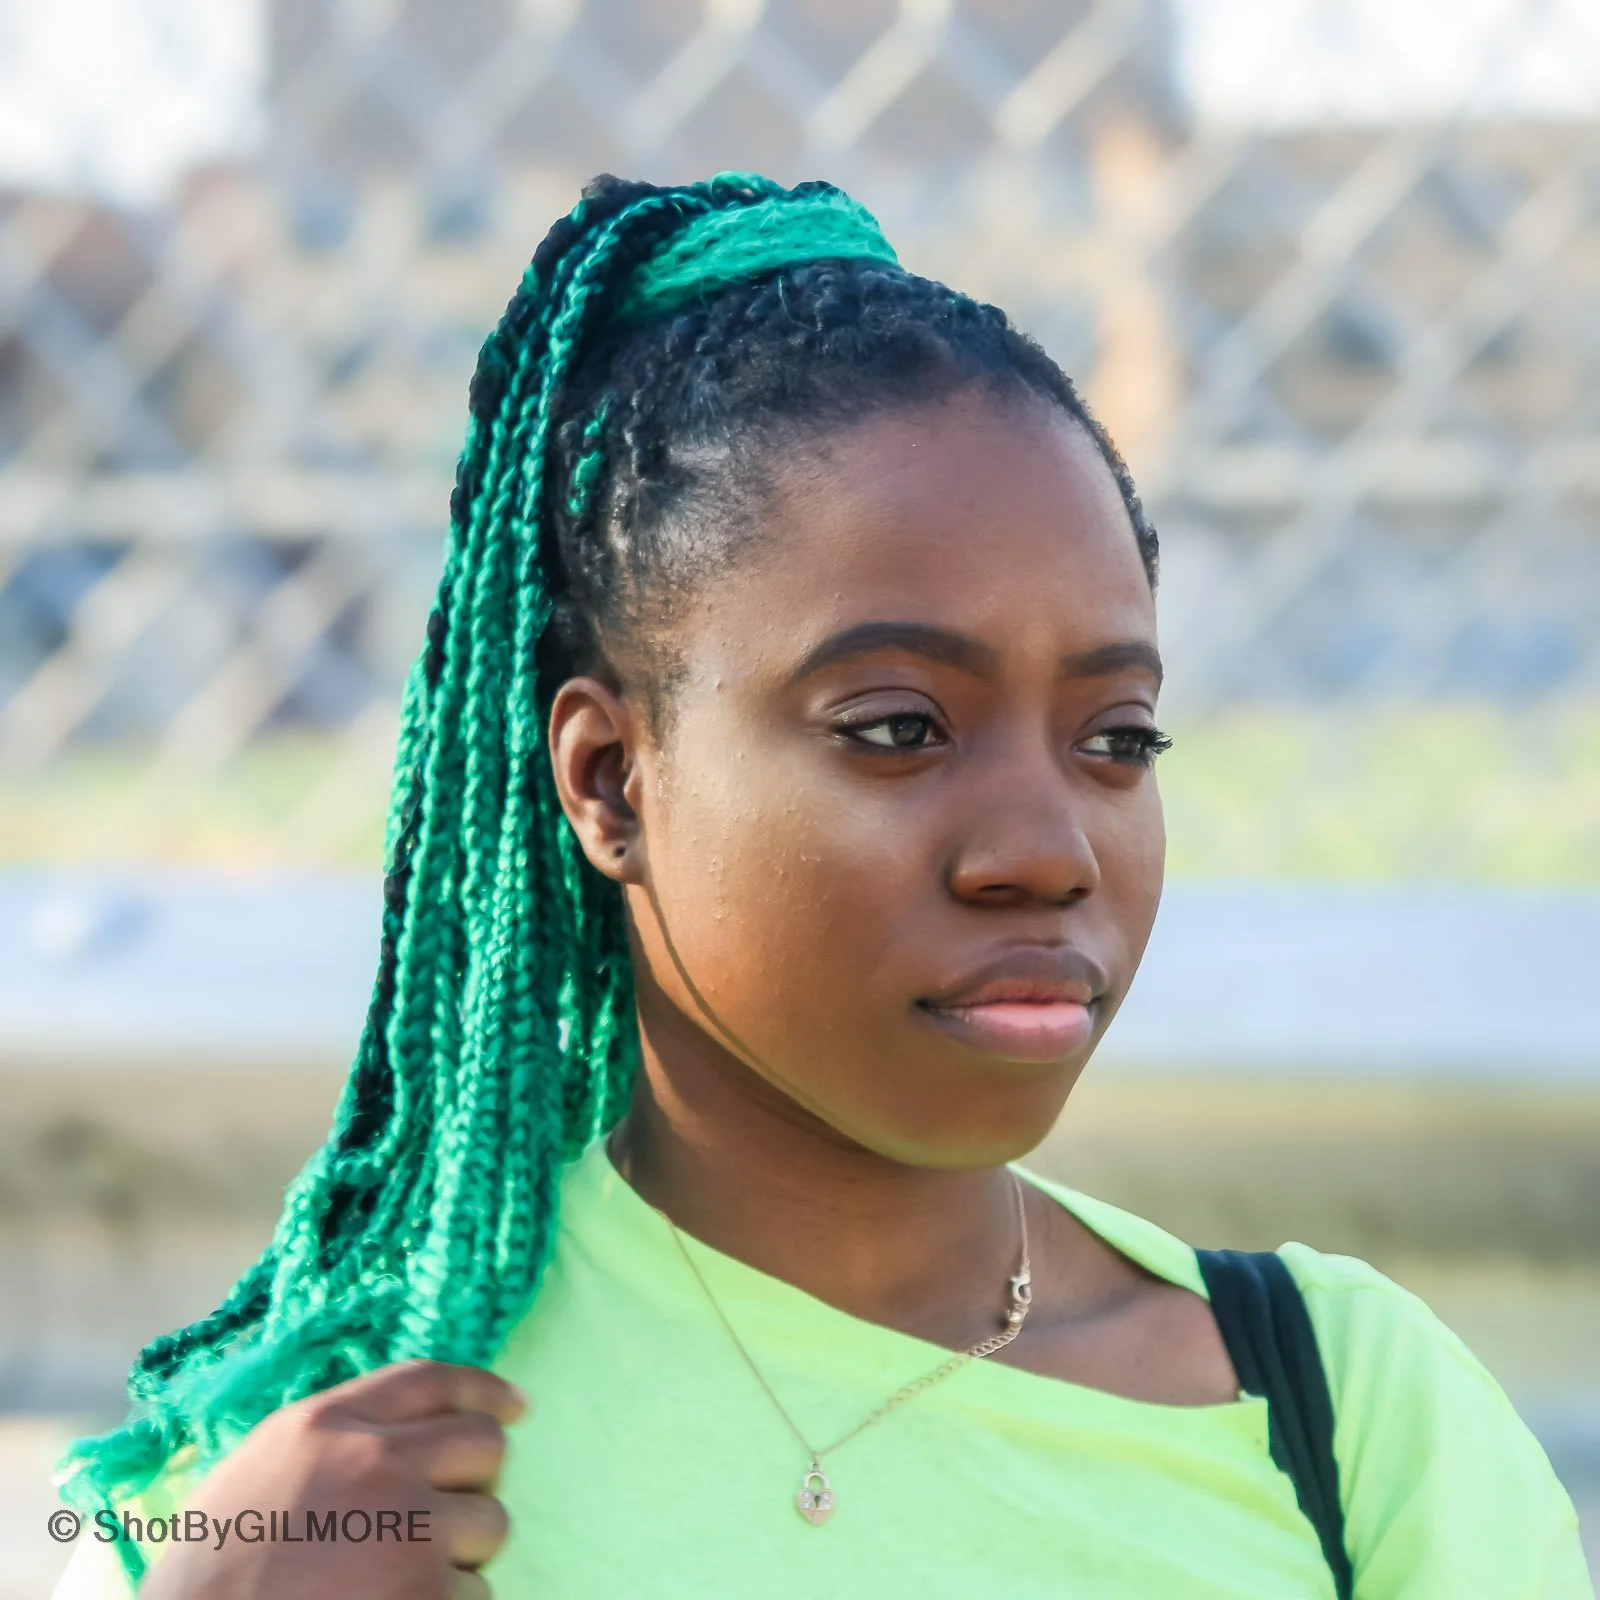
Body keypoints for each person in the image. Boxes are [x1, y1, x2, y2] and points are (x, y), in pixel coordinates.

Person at [51, 172, 1590, 1599]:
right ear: (608, 779)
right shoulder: (347, 1489)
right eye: (899, 729)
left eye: (1117, 738)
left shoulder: (1343, 1418)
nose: (1049, 849)